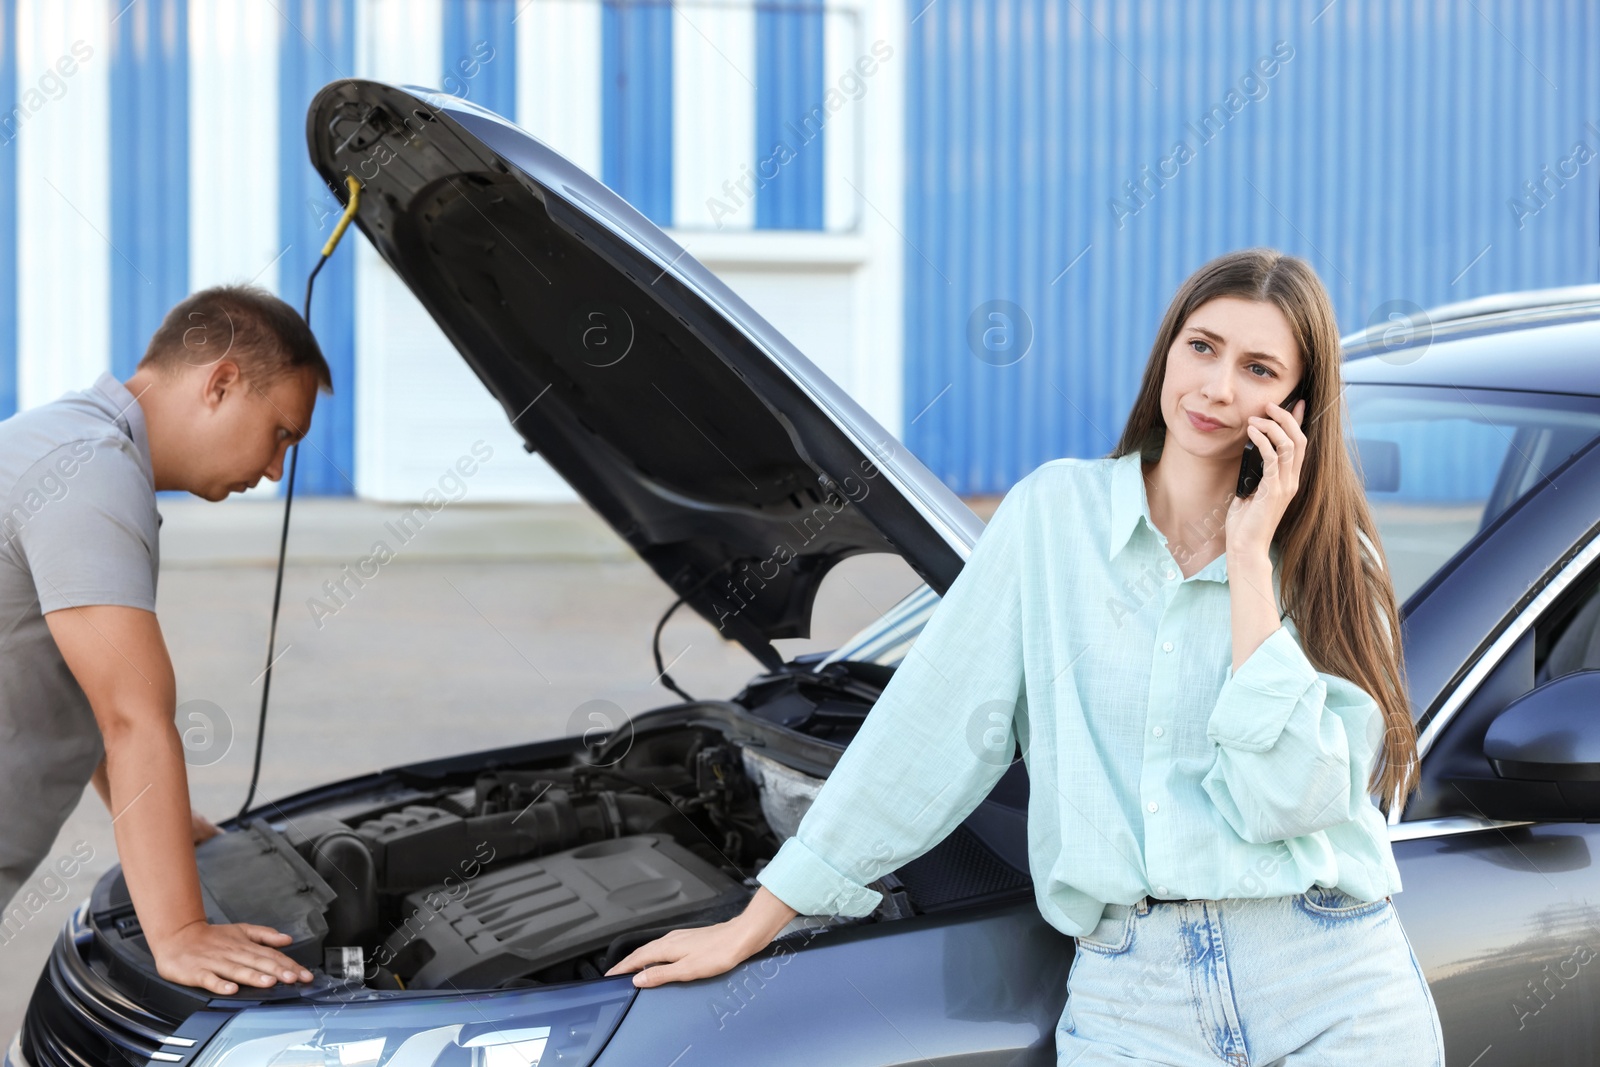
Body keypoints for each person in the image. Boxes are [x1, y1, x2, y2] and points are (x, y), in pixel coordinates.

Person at [606, 248, 1446, 1064]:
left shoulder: (1336, 567)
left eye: (1260, 369)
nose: (1218, 388)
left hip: (1330, 985)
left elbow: (1287, 802)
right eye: (1203, 347)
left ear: (1297, 407)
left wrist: (1252, 561)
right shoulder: (1053, 517)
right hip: (1135, 1003)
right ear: (1168, 350)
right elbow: (928, 730)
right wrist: (755, 922)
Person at [0, 284, 330, 996]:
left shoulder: (70, 444)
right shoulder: (89, 469)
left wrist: (167, 820)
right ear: (221, 382)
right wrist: (180, 933)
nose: (276, 470)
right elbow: (131, 714)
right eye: (281, 433)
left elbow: (84, 687)